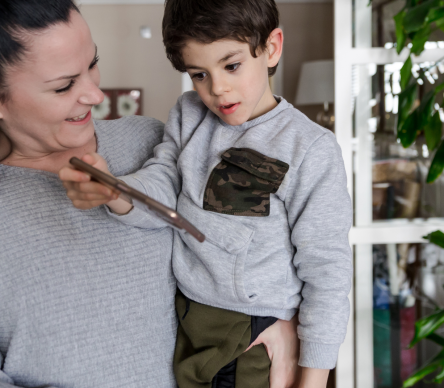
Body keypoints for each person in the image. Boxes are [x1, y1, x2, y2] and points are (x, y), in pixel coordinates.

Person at [0, 0, 300, 387]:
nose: (96, 95)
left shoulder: (153, 145)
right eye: (64, 85)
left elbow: (261, 245)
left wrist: (273, 319)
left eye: (92, 64)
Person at [60, 0, 353, 387]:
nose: (217, 89)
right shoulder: (189, 114)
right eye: (199, 74)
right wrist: (115, 192)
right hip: (187, 319)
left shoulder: (310, 148)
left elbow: (327, 271)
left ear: (272, 47)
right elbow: (163, 182)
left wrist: (313, 379)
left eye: (231, 66)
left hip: (251, 335)